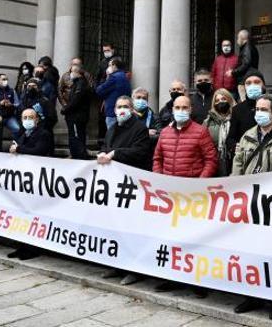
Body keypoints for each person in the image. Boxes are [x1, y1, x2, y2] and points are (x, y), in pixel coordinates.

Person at [229, 94, 272, 320]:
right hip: (249, 203)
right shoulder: (247, 136)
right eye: (257, 108)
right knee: (251, 251)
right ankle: (252, 295)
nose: (259, 112)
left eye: (264, 109)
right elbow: (237, 168)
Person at [153, 95, 218, 297]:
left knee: (194, 239)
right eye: (177, 107)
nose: (180, 110)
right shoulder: (164, 133)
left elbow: (211, 160)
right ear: (172, 109)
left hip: (192, 197)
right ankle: (172, 278)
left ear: (190, 110)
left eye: (184, 107)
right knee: (172, 237)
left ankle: (197, 281)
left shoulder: (200, 132)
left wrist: (198, 183)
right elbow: (157, 158)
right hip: (170, 196)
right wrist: (159, 180)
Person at [97, 95, 153, 284]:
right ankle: (117, 265)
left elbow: (141, 152)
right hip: (115, 185)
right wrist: (103, 152)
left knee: (133, 229)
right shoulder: (112, 128)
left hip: (133, 186)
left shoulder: (139, 129)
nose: (121, 110)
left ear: (132, 109)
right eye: (118, 106)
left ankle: (134, 270)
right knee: (116, 227)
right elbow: (105, 146)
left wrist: (116, 154)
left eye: (125, 106)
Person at [7, 108, 54, 260]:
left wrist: (19, 149)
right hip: (23, 180)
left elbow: (39, 151)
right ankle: (21, 246)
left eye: (30, 117)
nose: (27, 120)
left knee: (34, 215)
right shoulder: (22, 134)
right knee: (21, 214)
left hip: (37, 179)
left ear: (37, 119)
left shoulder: (44, 134)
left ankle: (32, 248)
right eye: (24, 117)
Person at [225, 71, 272, 155]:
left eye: (257, 82)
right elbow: (230, 138)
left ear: (263, 85)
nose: (252, 85)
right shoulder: (238, 109)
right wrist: (235, 146)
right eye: (248, 83)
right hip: (249, 156)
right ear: (244, 87)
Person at [60, 63, 93, 159]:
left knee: (76, 137)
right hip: (75, 116)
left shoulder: (81, 84)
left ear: (78, 73)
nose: (70, 74)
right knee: (75, 136)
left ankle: (79, 157)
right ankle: (76, 155)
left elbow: (75, 100)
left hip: (77, 117)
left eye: (72, 72)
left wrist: (65, 109)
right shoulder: (77, 83)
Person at [204, 88, 236, 176]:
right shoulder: (208, 122)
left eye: (223, 99)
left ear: (229, 100)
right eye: (217, 100)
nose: (220, 102)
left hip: (234, 162)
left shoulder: (237, 118)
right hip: (216, 164)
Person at [96, 57, 132, 129]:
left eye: (109, 65)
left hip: (112, 112)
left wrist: (107, 77)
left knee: (113, 136)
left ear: (114, 66)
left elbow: (99, 90)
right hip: (124, 111)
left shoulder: (113, 77)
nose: (108, 67)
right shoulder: (124, 76)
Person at [96, 43, 121, 140]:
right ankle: (102, 141)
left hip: (111, 94)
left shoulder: (118, 61)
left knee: (111, 119)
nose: (106, 53)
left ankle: (109, 141)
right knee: (102, 119)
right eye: (104, 51)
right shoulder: (102, 62)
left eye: (108, 50)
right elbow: (98, 77)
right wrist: (97, 87)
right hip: (103, 92)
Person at [231, 28, 259, 98]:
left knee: (245, 102)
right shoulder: (250, 47)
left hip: (244, 81)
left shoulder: (247, 48)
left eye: (238, 38)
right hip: (249, 78)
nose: (237, 40)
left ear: (242, 38)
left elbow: (246, 64)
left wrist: (233, 72)